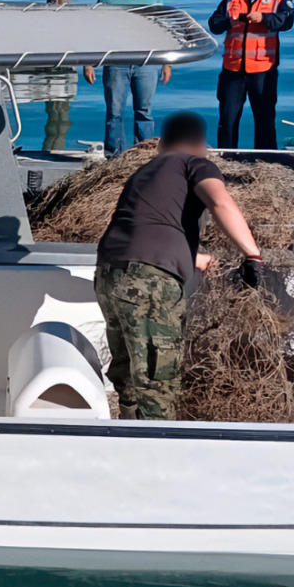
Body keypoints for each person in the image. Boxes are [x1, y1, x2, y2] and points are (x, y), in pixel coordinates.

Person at [94, 111, 264, 419]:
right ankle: (156, 451)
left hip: (109, 273)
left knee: (130, 374)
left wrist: (194, 258)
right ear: (200, 143)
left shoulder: (146, 171)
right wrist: (252, 255)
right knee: (159, 381)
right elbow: (219, 202)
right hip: (148, 281)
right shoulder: (195, 164)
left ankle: (126, 436)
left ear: (163, 144)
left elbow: (148, 224)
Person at [83, 0, 171, 155]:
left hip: (146, 62)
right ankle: (114, 155)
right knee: (114, 112)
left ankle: (145, 154)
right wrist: (89, 62)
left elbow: (163, 30)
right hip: (116, 62)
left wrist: (167, 62)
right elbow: (94, 30)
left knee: (144, 111)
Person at [207, 0, 294, 150]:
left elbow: (287, 21)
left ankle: (265, 159)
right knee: (227, 120)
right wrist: (228, 22)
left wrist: (264, 18)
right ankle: (227, 158)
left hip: (263, 69)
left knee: (265, 120)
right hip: (233, 69)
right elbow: (214, 24)